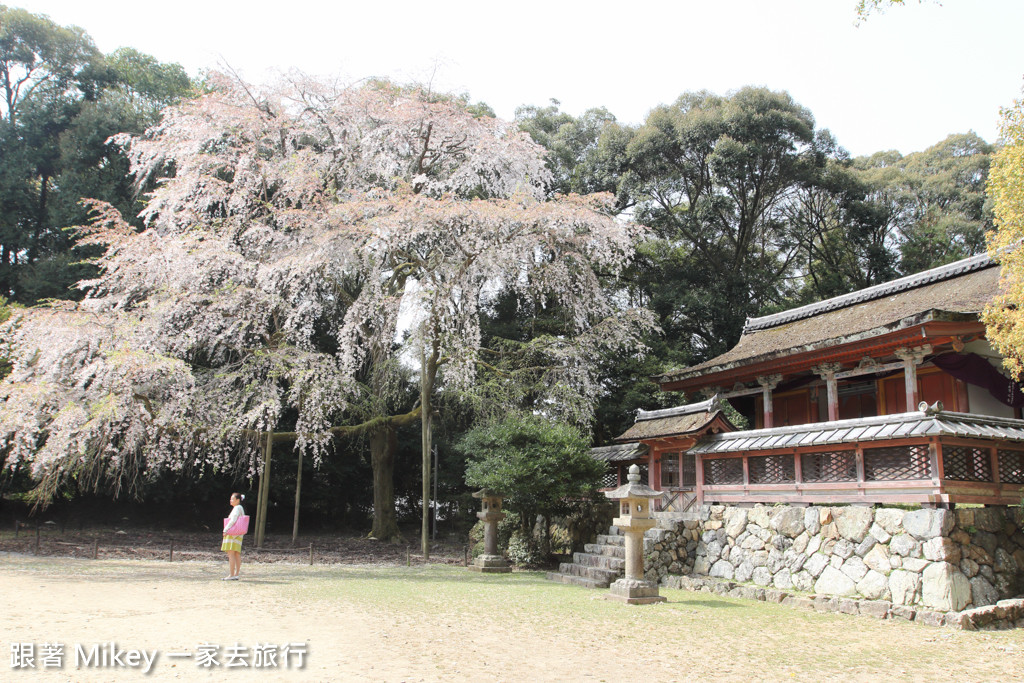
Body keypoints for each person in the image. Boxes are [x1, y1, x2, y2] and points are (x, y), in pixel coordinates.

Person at [222, 492, 245, 580]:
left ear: (238, 500)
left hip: (233, 534)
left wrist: (225, 529)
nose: (231, 500)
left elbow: (233, 520)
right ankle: (236, 574)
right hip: (239, 534)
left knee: (231, 553)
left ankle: (231, 574)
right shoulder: (240, 508)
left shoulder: (236, 508)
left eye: (232, 499)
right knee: (236, 554)